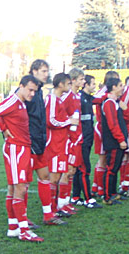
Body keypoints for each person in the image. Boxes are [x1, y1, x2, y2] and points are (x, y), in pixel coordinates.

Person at [0, 75, 43, 242]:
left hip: (23, 148)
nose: (32, 94)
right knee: (20, 188)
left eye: (35, 91)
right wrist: (2, 129)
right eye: (30, 90)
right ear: (21, 86)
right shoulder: (13, 101)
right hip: (15, 149)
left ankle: (13, 227)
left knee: (14, 188)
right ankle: (23, 230)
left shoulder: (21, 103)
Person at [25, 60, 63, 227]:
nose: (46, 74)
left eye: (47, 71)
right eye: (43, 71)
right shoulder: (26, 91)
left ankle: (48, 214)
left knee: (44, 176)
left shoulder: (39, 91)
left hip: (40, 142)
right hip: (27, 143)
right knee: (23, 183)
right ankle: (21, 218)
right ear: (34, 71)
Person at [44, 73, 78, 218]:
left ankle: (56, 207)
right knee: (53, 178)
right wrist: (68, 121)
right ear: (60, 85)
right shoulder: (51, 99)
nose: (70, 87)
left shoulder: (58, 100)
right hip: (53, 145)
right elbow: (50, 121)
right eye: (68, 84)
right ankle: (51, 210)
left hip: (61, 143)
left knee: (57, 177)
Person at [71, 74, 102, 208]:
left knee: (79, 168)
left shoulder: (87, 98)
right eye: (92, 83)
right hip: (81, 139)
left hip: (88, 138)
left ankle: (76, 197)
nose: (93, 86)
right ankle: (88, 199)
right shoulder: (79, 98)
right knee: (84, 168)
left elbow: (98, 100)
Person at [59, 67, 85, 214]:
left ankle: (66, 202)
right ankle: (60, 203)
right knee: (67, 171)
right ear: (73, 80)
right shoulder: (67, 96)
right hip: (69, 139)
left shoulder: (77, 96)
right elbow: (58, 112)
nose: (83, 81)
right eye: (81, 79)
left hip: (77, 138)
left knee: (73, 170)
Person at [91, 70, 120, 198]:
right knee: (103, 158)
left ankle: (97, 186)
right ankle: (99, 188)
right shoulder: (104, 92)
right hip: (102, 127)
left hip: (104, 127)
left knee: (104, 158)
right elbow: (94, 100)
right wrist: (105, 97)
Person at [99, 77, 127, 205]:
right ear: (114, 87)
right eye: (121, 85)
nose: (123, 88)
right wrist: (120, 139)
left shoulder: (114, 102)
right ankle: (106, 196)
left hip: (117, 141)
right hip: (113, 141)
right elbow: (112, 124)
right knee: (110, 169)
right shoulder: (109, 103)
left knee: (115, 168)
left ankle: (113, 193)